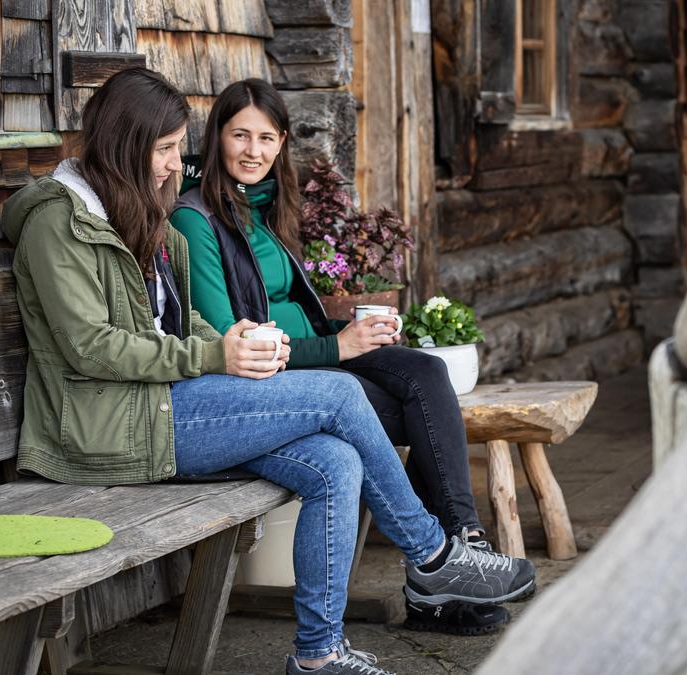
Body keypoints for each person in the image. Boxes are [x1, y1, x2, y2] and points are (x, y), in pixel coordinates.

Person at [0, 67, 532, 675]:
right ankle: (434, 556)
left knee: (338, 461)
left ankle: (319, 655)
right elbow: (90, 348)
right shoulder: (58, 223)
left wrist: (227, 339)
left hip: (169, 404)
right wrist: (212, 355)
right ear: (125, 145)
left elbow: (181, 320)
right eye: (167, 150)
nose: (178, 165)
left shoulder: (136, 211)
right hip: (107, 429)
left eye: (179, 148)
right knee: (338, 396)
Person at [167, 80, 527, 623]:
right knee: (411, 410)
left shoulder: (264, 208)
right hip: (263, 382)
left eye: (266, 138)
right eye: (239, 135)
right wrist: (337, 345)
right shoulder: (196, 220)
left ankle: (462, 545)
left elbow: (287, 305)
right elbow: (228, 338)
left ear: (283, 141)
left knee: (425, 373)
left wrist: (355, 331)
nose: (253, 151)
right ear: (216, 138)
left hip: (313, 353)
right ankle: (444, 585)